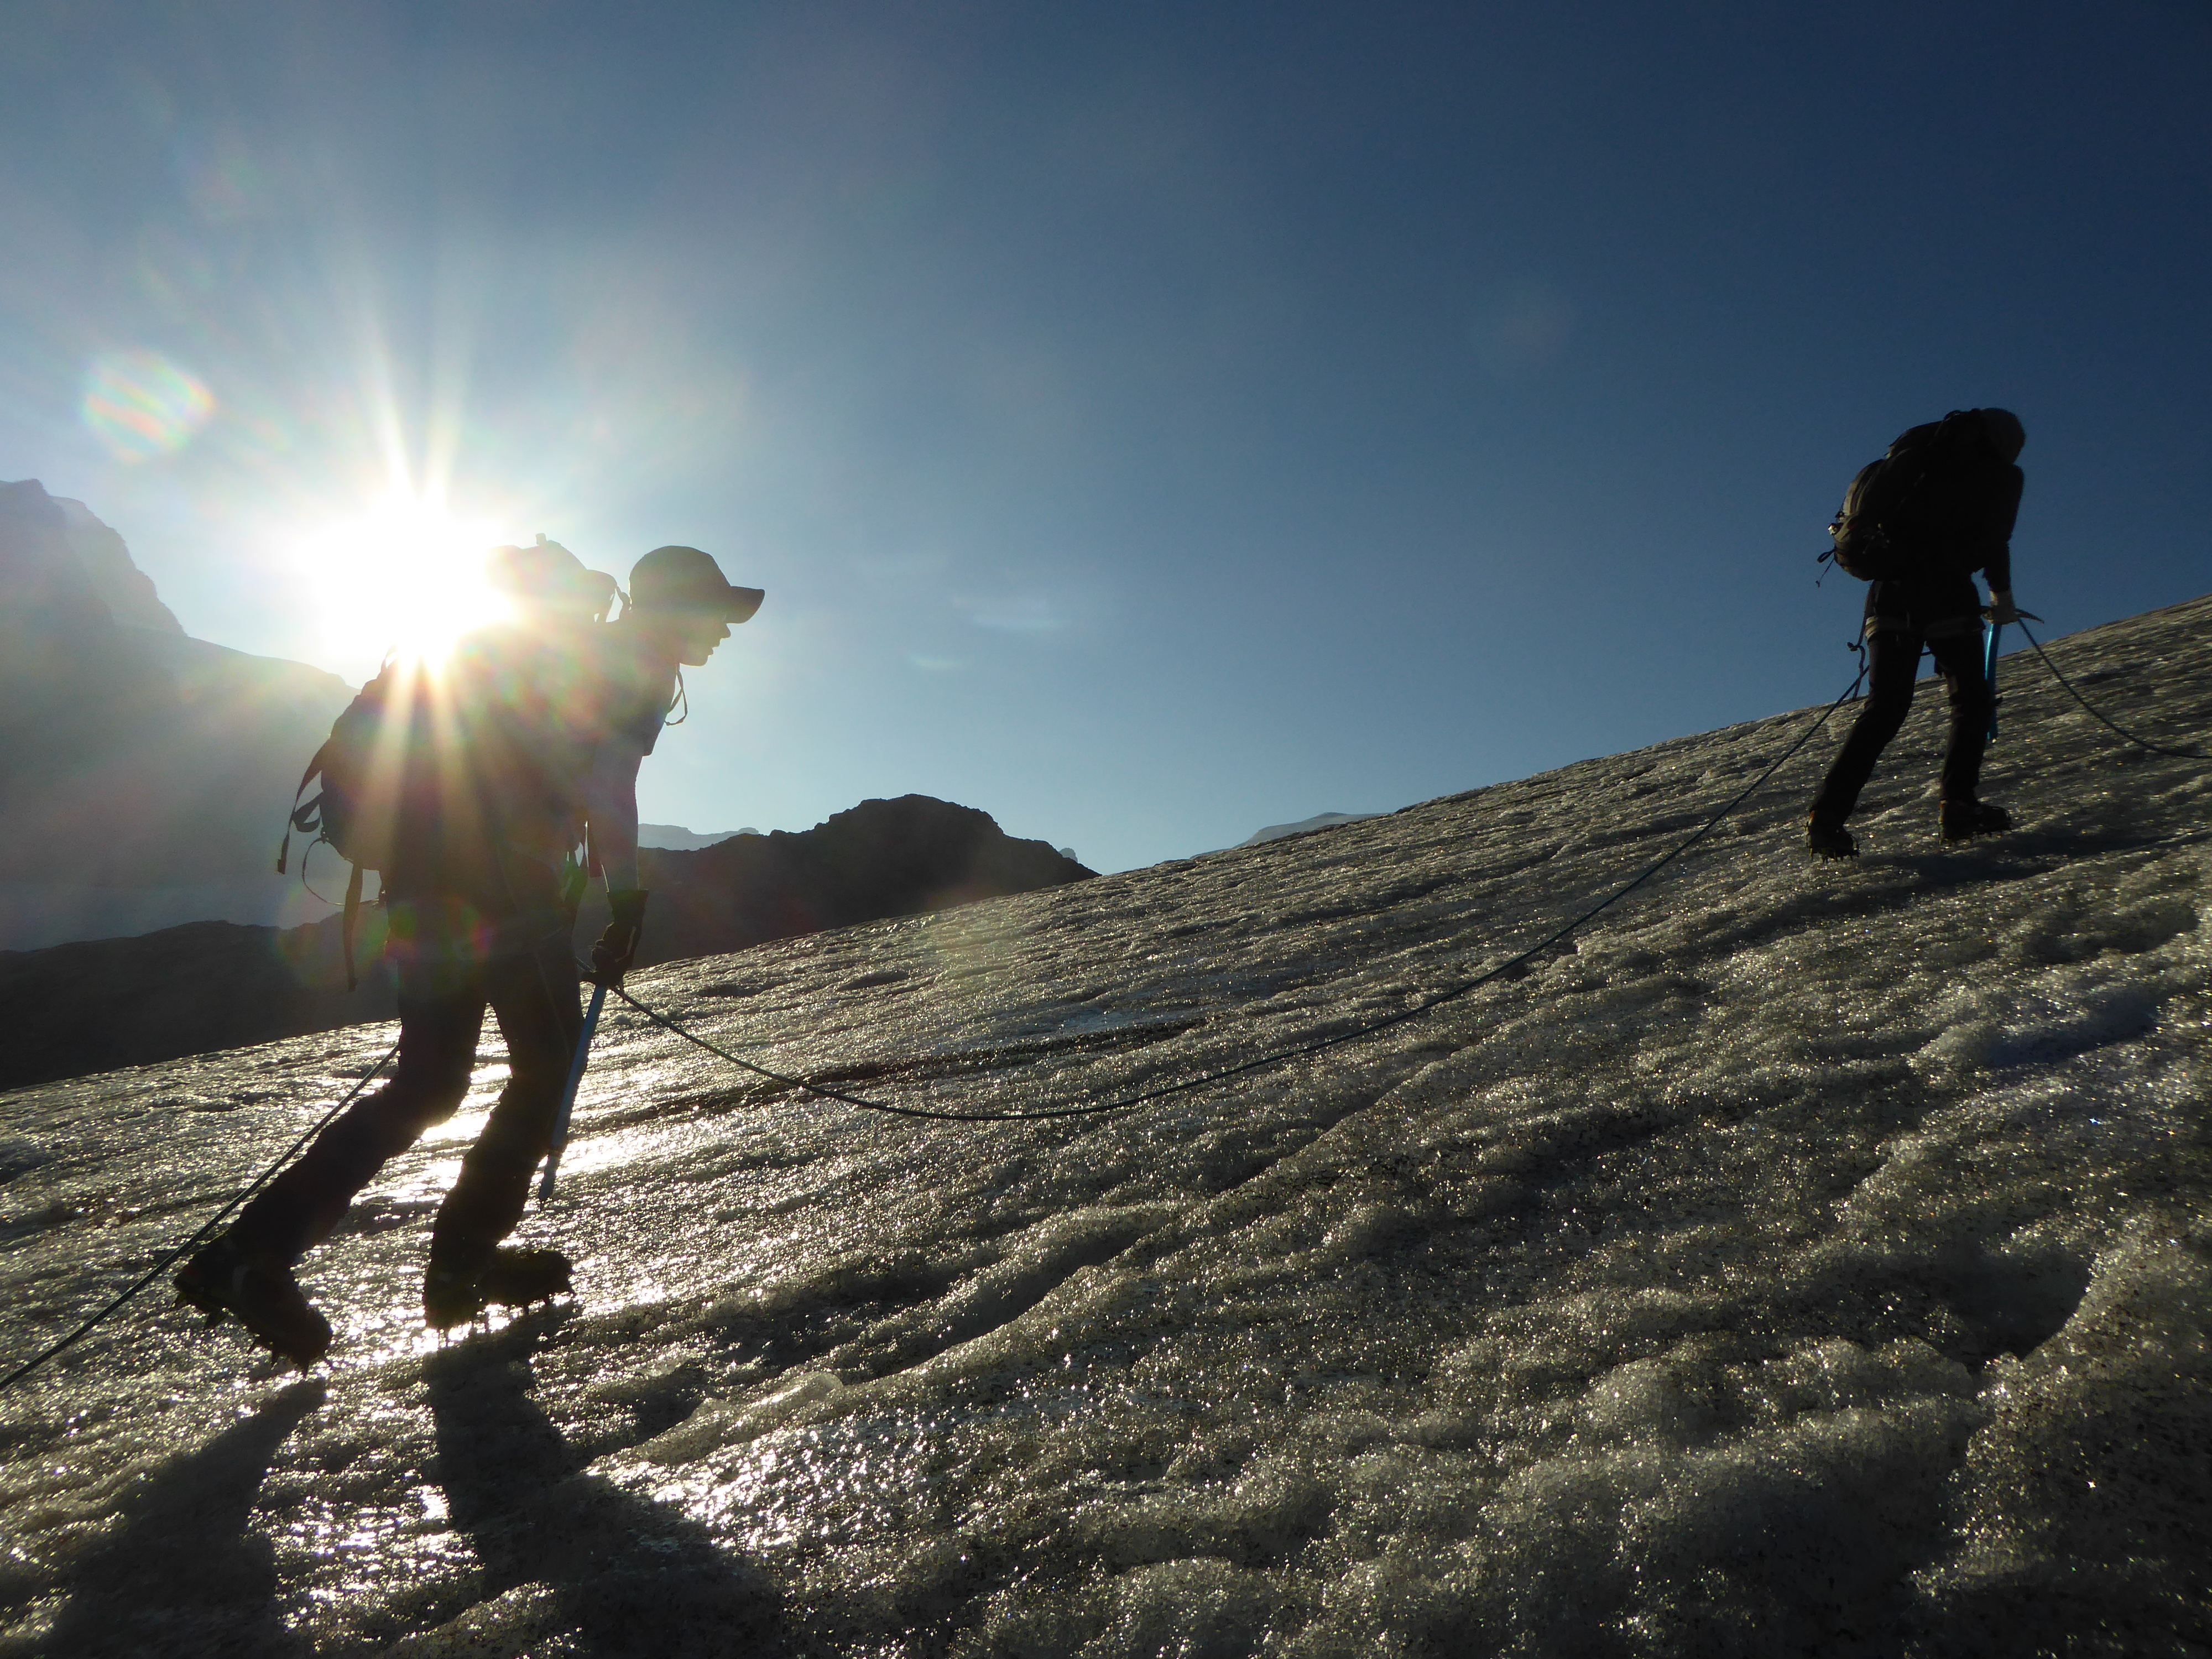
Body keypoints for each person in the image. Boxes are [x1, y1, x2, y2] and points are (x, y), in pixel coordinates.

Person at [176, 544, 762, 1364]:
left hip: (423, 887)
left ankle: (251, 1252)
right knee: (546, 1071)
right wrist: (628, 904)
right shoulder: (634, 667)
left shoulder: (562, 653)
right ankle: (462, 1263)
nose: (723, 632)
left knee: (429, 1082)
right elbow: (608, 793)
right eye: (715, 613)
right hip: (507, 897)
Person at [1807, 408, 2027, 859]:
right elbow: (1994, 540)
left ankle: (1826, 818)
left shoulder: (1920, 457)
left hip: (1887, 592)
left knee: (1885, 708)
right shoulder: (1998, 473)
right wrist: (2001, 596)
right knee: (1970, 699)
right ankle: (1959, 806)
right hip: (1945, 590)